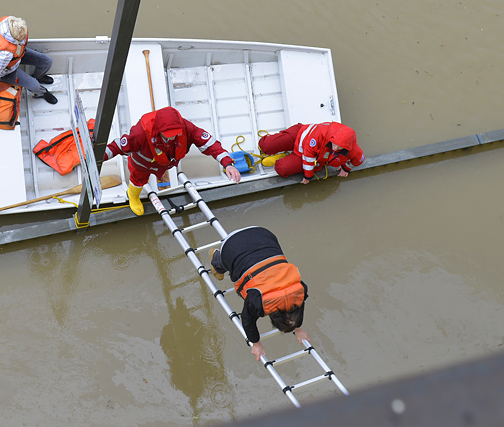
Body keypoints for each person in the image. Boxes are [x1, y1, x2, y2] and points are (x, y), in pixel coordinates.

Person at [104, 106, 242, 216]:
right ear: (158, 130)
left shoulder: (187, 128)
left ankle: (137, 191)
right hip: (143, 164)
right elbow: (117, 146)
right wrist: (99, 158)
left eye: (176, 133)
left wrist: (228, 164)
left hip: (165, 163)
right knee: (138, 179)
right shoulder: (140, 133)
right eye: (168, 134)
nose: (173, 137)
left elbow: (209, 143)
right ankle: (133, 196)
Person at [209, 226, 309, 361]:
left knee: (253, 260)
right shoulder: (258, 302)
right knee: (226, 265)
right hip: (232, 244)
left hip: (263, 234)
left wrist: (298, 329)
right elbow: (247, 321)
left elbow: (300, 305)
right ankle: (216, 258)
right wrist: (256, 344)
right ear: (272, 317)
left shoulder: (300, 290)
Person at [258, 122, 364, 184]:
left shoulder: (352, 148)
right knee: (265, 145)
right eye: (334, 144)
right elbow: (308, 156)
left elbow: (357, 159)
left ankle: (284, 156)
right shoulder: (321, 135)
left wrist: (346, 168)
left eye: (339, 147)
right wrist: (308, 176)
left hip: (304, 155)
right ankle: (285, 151)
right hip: (301, 134)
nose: (335, 148)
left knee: (281, 169)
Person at [0, 15, 57, 104]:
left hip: (17, 56)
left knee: (47, 61)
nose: (25, 36)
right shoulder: (2, 53)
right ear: (14, 38)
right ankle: (43, 93)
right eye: (22, 36)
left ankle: (39, 77)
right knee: (35, 86)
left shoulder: (13, 22)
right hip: (7, 70)